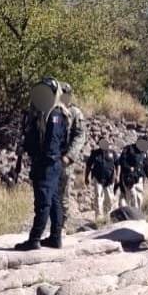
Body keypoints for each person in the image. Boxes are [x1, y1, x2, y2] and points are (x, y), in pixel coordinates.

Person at [16, 78, 70, 250]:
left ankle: (34, 239)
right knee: (53, 200)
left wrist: (42, 159)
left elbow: (52, 143)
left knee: (43, 202)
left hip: (48, 163)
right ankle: (55, 237)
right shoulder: (44, 113)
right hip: (49, 162)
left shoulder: (54, 114)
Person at [58, 83, 88, 217]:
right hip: (50, 157)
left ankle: (61, 225)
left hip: (65, 159)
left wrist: (69, 156)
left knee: (63, 194)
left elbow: (80, 136)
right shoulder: (51, 110)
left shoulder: (75, 113)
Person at [116, 138, 148, 211]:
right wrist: (129, 168)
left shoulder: (144, 153)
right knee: (131, 195)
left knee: (139, 197)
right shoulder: (129, 149)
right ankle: (131, 214)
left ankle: (137, 214)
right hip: (129, 177)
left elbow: (146, 166)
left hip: (140, 178)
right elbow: (122, 161)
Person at [84, 146, 119, 220]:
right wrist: (86, 177)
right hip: (98, 178)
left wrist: (118, 176)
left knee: (109, 198)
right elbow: (89, 165)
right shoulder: (95, 153)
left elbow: (118, 164)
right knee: (98, 197)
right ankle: (99, 218)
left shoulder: (112, 153)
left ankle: (108, 216)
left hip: (110, 179)